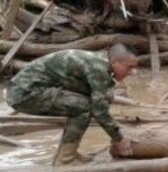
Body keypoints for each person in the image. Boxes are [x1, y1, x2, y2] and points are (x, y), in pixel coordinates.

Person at [6, 44, 138, 164]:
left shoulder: (100, 61)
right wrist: (119, 138)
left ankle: (68, 153)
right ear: (114, 62)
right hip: (25, 94)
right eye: (129, 67)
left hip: (29, 89)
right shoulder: (98, 67)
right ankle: (66, 158)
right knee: (84, 108)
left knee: (90, 102)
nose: (133, 72)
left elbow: (101, 95)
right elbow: (99, 111)